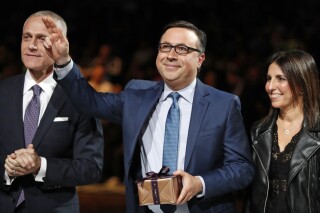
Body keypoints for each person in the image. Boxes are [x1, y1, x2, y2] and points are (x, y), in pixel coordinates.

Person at [43, 17, 254, 212]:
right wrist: (63, 61)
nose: (171, 55)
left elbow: (242, 168)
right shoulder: (137, 95)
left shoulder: (223, 104)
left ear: (200, 59)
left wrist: (200, 183)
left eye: (182, 49)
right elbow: (90, 102)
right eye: (165, 47)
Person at [0, 10, 104, 213]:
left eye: (41, 39)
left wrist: (41, 166)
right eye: (27, 37)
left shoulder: (80, 98)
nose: (31, 45)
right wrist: (7, 170)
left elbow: (92, 168)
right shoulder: (2, 92)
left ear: (59, 44)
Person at [245, 49, 320, 213]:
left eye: (281, 79)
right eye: (269, 79)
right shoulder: (259, 130)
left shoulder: (317, 133)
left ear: (301, 84)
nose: (270, 87)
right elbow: (250, 195)